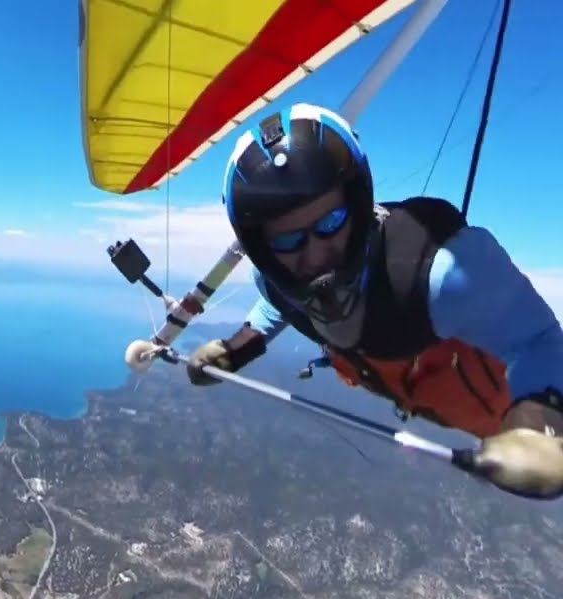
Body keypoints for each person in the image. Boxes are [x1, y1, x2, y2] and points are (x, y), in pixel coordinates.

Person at [185, 102, 563, 500]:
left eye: (331, 223)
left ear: (359, 207)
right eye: (288, 240)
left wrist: (542, 423)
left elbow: (540, 338)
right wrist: (234, 351)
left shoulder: (443, 274)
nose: (315, 256)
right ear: (261, 249)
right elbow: (278, 305)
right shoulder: (277, 280)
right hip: (405, 381)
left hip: (489, 397)